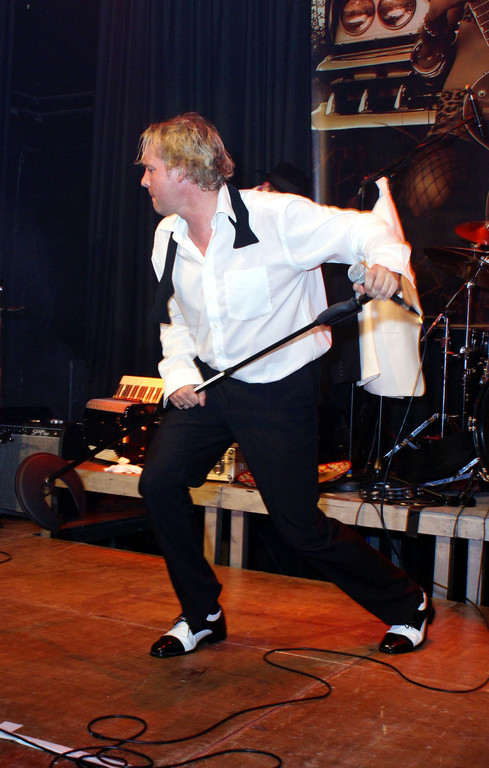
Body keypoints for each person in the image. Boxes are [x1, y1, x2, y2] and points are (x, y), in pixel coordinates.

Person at [137, 111, 433, 659]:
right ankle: (201, 613)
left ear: (181, 170)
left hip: (279, 387)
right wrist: (178, 373)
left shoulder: (277, 217)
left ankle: (406, 602)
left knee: (298, 527)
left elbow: (366, 230)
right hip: (212, 384)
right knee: (158, 483)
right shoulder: (167, 236)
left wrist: (385, 265)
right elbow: (171, 315)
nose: (144, 180)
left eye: (150, 168)